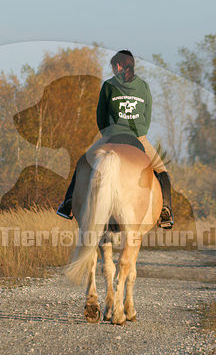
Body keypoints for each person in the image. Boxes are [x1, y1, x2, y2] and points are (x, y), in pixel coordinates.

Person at [56, 49, 174, 228]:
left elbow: (101, 117)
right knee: (162, 170)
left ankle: (68, 203)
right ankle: (166, 210)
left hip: (111, 137)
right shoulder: (143, 86)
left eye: (113, 67)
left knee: (83, 163)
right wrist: (139, 134)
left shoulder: (108, 85)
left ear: (118, 66)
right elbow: (146, 116)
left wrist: (108, 133)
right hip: (137, 138)